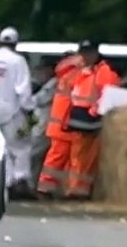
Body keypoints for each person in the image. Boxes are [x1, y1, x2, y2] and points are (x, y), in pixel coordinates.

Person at [38, 40, 119, 199]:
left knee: (71, 159)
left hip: (72, 122)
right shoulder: (82, 72)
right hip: (73, 122)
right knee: (74, 159)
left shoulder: (78, 72)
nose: (84, 57)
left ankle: (59, 189)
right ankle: (69, 190)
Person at [0, 27, 36, 196]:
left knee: (0, 148)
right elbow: (23, 90)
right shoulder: (18, 61)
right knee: (21, 147)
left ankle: (4, 181)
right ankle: (19, 181)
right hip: (14, 111)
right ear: (16, 43)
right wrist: (29, 112)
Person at [28, 57, 57, 187]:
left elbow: (38, 100)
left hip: (46, 125)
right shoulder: (47, 84)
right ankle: (33, 185)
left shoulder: (54, 84)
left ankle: (31, 185)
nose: (39, 73)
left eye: (42, 70)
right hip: (42, 124)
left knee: (33, 155)